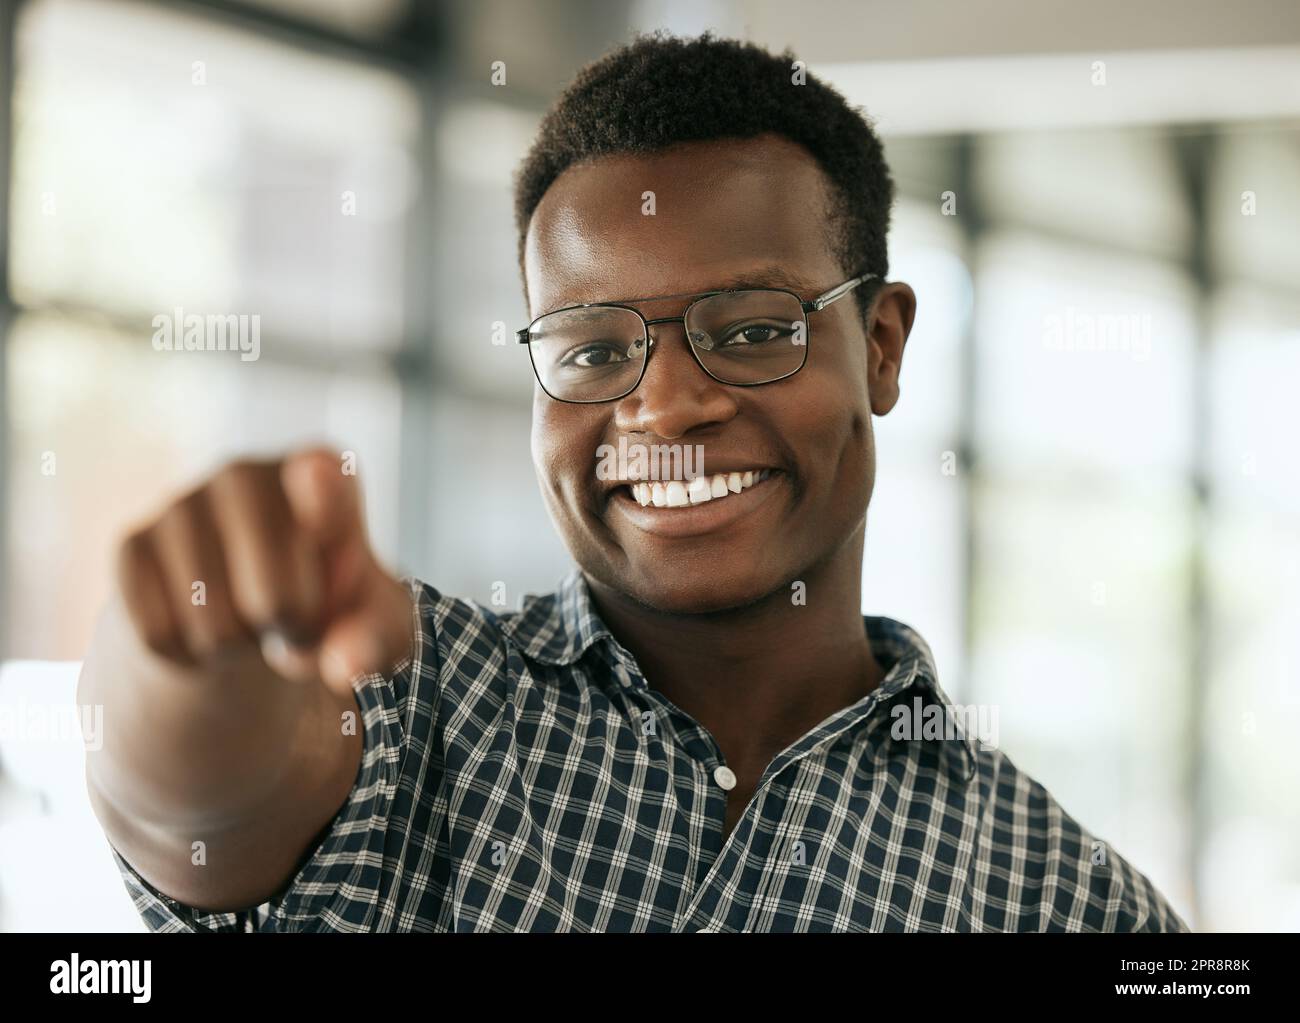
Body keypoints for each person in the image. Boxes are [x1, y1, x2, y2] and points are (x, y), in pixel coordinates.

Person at [81, 31, 1188, 932]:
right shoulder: (420, 705)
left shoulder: (1067, 904)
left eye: (753, 329)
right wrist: (186, 646)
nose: (660, 407)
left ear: (883, 346)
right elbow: (191, 801)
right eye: (592, 350)